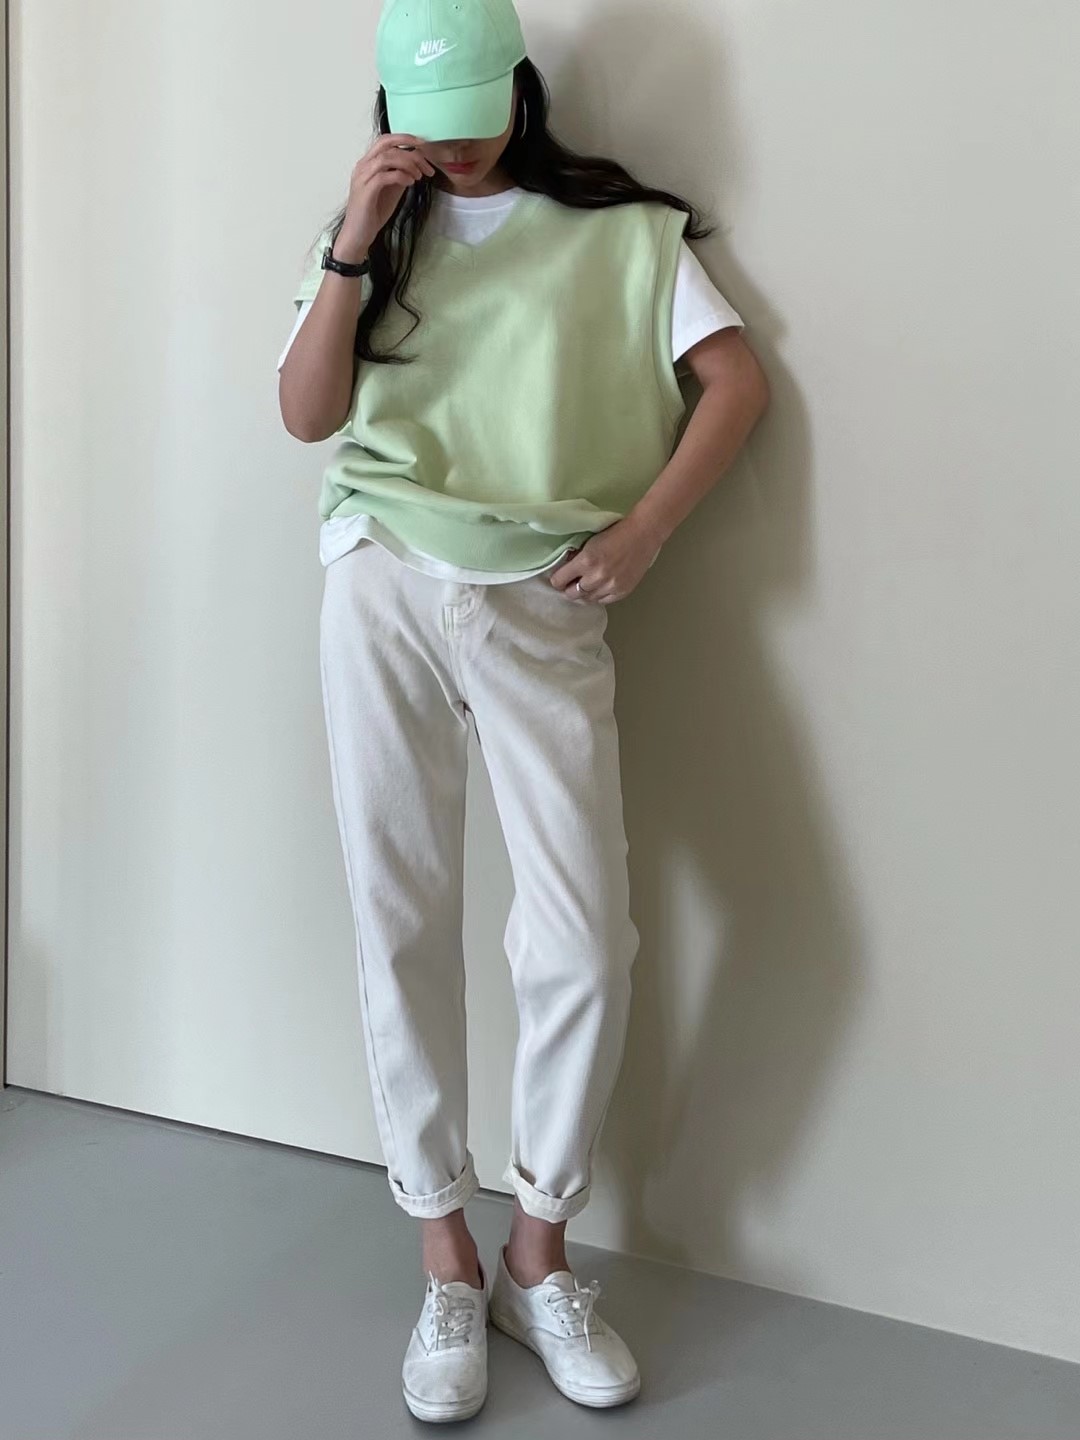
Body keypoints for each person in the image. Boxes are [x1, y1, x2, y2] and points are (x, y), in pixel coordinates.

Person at [278, 0, 769, 1422]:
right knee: (400, 910)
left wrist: (645, 532)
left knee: (583, 938)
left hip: (543, 598)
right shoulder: (373, 240)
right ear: (391, 112)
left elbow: (735, 381)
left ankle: (537, 1252)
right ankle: (445, 1254)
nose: (456, 142)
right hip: (380, 578)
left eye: (477, 110)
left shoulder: (623, 237)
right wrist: (353, 240)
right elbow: (306, 416)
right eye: (426, 119)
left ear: (521, 88)